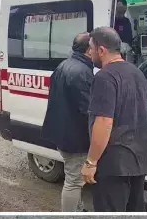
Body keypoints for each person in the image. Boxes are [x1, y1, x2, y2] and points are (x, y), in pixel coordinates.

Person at [82, 27, 147, 212]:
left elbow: (104, 122)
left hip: (113, 164)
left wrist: (91, 162)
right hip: (138, 161)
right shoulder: (138, 73)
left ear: (101, 50)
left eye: (91, 48)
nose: (89, 52)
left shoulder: (104, 77)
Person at [42, 32, 94, 212]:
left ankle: (77, 208)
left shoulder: (64, 65)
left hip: (63, 134)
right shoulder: (82, 71)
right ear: (89, 50)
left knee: (72, 176)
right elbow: (87, 111)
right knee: (73, 182)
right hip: (75, 138)